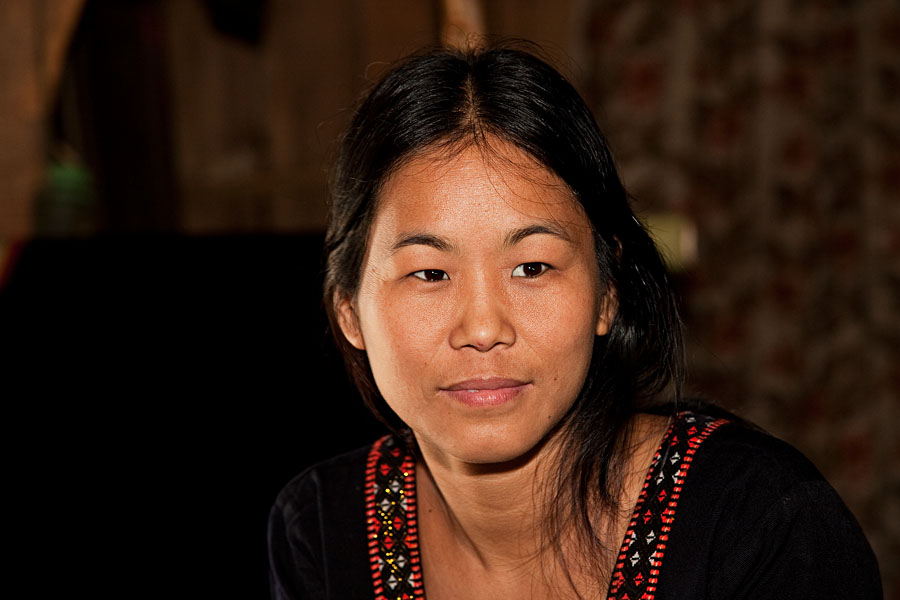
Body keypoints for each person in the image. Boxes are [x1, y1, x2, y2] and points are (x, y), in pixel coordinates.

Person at [268, 43, 882, 599]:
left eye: (532, 267)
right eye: (429, 274)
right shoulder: (325, 531)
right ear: (349, 308)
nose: (483, 328)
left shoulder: (761, 525)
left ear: (607, 291)